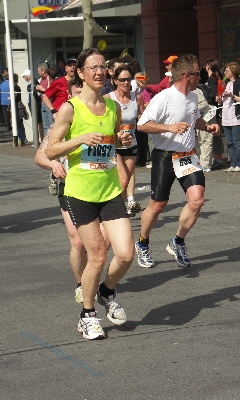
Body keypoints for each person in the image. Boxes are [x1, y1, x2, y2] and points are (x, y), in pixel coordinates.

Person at [46, 48, 134, 340]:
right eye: (93, 67)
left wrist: (123, 138)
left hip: (108, 190)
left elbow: (112, 142)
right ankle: (87, 315)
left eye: (103, 67)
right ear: (81, 73)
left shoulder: (113, 108)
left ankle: (107, 291)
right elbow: (51, 149)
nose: (99, 72)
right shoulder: (70, 108)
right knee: (96, 255)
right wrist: (80, 138)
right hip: (81, 193)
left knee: (125, 253)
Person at [135, 54, 220, 268]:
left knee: (197, 200)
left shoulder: (193, 96)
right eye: (196, 72)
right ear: (185, 75)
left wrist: (207, 126)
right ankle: (143, 243)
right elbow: (142, 125)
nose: (199, 76)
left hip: (187, 156)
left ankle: (177, 242)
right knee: (158, 205)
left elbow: (194, 119)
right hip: (165, 155)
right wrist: (169, 127)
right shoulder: (164, 97)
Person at [35, 81, 111, 304]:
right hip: (70, 186)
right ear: (70, 96)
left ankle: (93, 277)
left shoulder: (101, 115)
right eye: (78, 94)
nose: (83, 99)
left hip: (99, 185)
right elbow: (41, 155)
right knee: (78, 242)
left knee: (103, 243)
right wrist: (53, 165)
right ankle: (81, 284)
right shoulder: (63, 120)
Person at [104, 65, 145, 217]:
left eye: (129, 79)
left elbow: (142, 118)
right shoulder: (108, 98)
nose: (127, 82)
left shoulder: (137, 97)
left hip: (131, 143)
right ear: (115, 81)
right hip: (114, 144)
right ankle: (115, 211)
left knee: (126, 179)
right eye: (123, 80)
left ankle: (119, 209)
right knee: (121, 179)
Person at [217, 62, 240, 172]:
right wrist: (219, 99)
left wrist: (232, 96)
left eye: (227, 70)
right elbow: (221, 101)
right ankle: (233, 164)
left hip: (237, 116)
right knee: (229, 142)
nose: (225, 72)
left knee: (237, 142)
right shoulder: (224, 83)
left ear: (233, 71)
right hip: (226, 116)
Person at [205, 58, 225, 170]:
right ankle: (218, 158)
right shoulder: (217, 77)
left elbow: (215, 94)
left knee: (215, 135)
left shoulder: (211, 79)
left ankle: (218, 159)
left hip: (213, 109)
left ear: (208, 66)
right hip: (216, 109)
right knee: (216, 135)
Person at [21, 69, 44, 143]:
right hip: (33, 106)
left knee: (37, 122)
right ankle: (39, 139)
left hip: (36, 106)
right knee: (38, 122)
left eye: (24, 76)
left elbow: (38, 94)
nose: (24, 78)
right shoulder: (31, 84)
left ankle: (38, 140)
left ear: (27, 77)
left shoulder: (34, 84)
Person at [36, 62, 54, 137]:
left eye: (39, 70)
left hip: (49, 101)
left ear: (43, 71)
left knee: (51, 123)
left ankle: (51, 140)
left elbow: (51, 90)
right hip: (42, 101)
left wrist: (42, 89)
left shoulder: (50, 78)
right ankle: (46, 141)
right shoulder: (41, 80)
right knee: (45, 124)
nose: (38, 72)